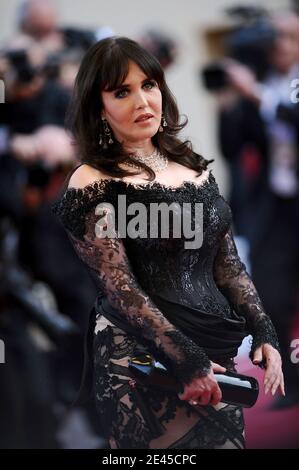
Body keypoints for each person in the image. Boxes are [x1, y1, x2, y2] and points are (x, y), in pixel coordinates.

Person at [52, 36, 284, 449]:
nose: (142, 101)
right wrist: (188, 359)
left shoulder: (193, 168)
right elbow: (120, 289)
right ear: (97, 106)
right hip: (142, 357)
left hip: (215, 351)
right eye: (121, 91)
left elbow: (227, 265)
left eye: (149, 84)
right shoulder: (92, 181)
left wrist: (264, 328)